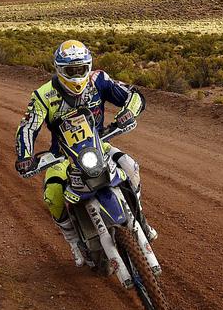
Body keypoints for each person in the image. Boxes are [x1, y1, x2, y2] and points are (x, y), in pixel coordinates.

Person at [14, 40, 155, 266]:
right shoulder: (43, 95)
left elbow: (133, 95)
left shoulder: (99, 80)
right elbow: (28, 126)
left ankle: (141, 219)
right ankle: (74, 242)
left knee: (130, 167)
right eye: (71, 71)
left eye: (81, 69)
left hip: (100, 144)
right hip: (63, 156)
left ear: (88, 66)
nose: (77, 75)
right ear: (59, 70)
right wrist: (25, 156)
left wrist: (128, 113)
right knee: (53, 194)